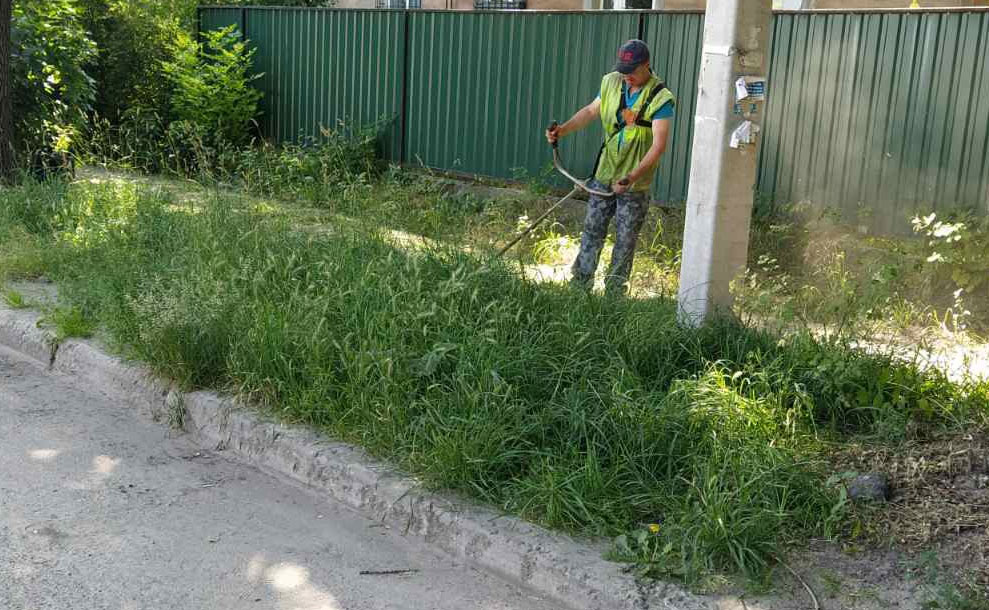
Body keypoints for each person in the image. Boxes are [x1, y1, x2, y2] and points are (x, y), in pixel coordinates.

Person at [546, 39, 675, 295]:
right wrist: (563, 130)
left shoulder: (661, 98)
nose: (625, 76)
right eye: (623, 70)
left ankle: (614, 295)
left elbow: (658, 146)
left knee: (625, 241)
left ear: (646, 65)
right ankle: (579, 287)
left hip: (634, 184)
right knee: (592, 231)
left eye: (632, 72)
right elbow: (591, 112)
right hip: (603, 175)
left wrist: (631, 177)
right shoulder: (611, 81)